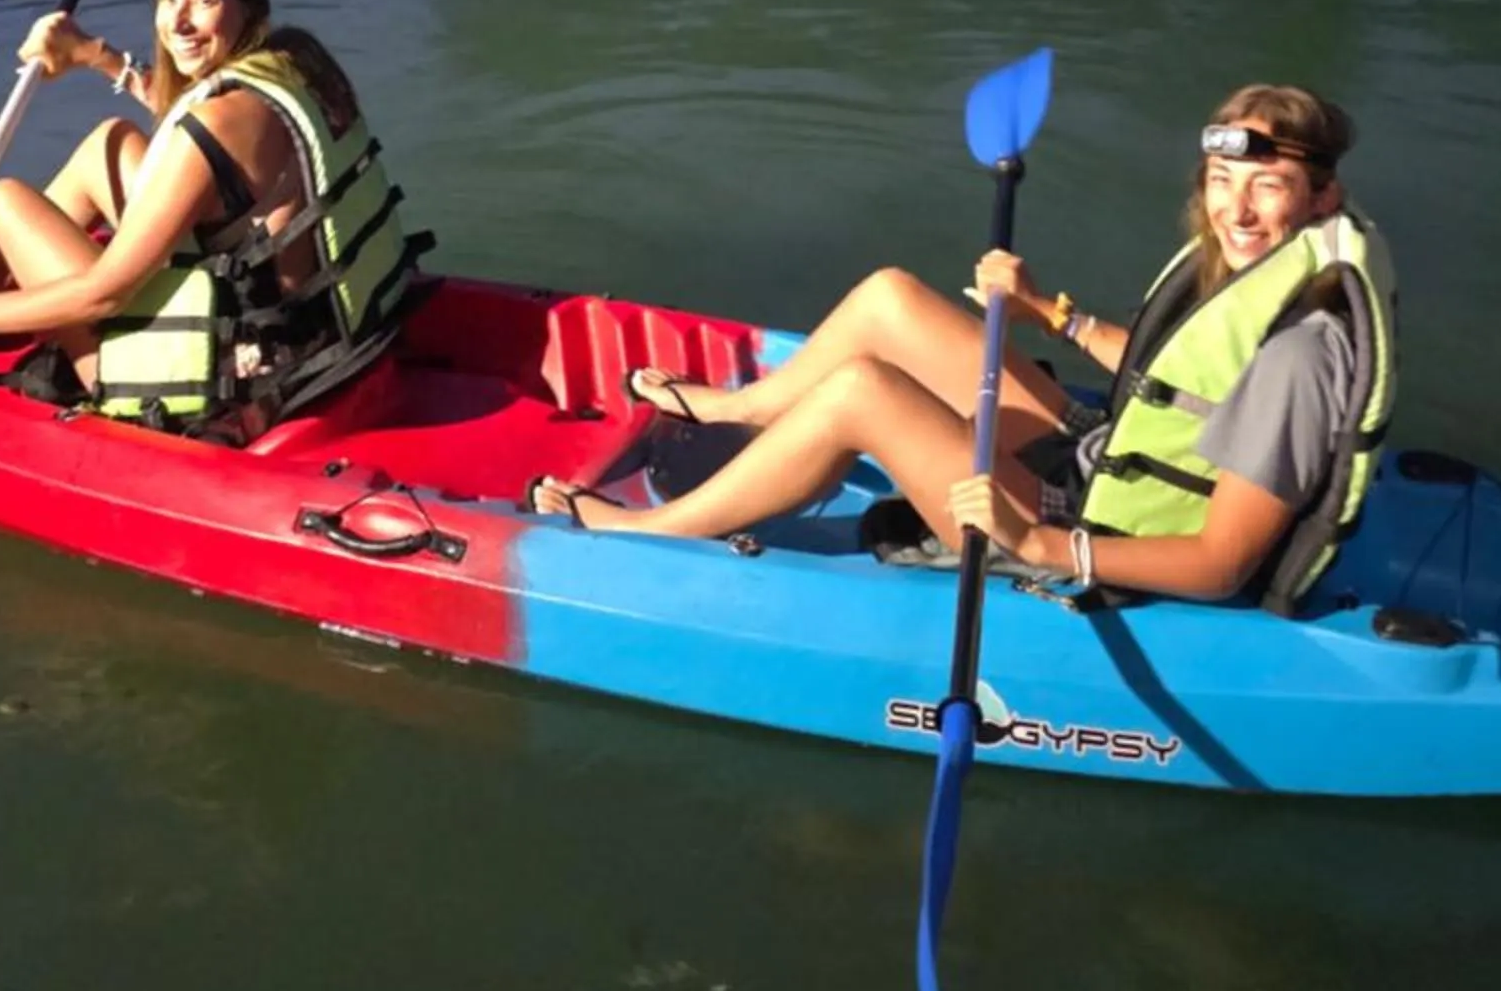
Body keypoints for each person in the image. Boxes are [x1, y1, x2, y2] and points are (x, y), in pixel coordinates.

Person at [530, 84, 1395, 609]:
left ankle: (655, 530)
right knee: (890, 299)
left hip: (1081, 528)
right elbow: (1182, 383)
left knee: (861, 389)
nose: (1236, 212)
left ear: (1323, 199)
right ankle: (746, 408)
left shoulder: (1298, 356)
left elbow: (1221, 563)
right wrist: (1049, 313)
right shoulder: (1263, 273)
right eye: (1222, 181)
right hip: (1092, 462)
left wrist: (1048, 547)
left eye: (1268, 187)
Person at [0, 0, 431, 438]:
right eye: (165, 0)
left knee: (2, 202)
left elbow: (106, 292)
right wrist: (96, 57)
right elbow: (197, 130)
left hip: (226, 380)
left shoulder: (216, 123)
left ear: (246, 7)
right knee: (111, 141)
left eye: (202, 2)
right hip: (317, 331)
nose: (177, 22)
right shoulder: (293, 60)